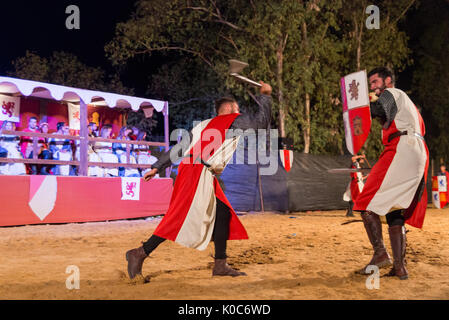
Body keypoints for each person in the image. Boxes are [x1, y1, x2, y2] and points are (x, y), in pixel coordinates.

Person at [125, 81, 273, 280]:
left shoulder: (203, 125)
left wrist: (157, 166)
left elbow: (179, 149)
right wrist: (265, 96)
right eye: (237, 109)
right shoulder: (231, 120)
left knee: (222, 214)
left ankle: (220, 264)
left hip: (195, 170)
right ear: (229, 110)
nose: (240, 113)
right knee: (178, 217)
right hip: (197, 171)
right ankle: (139, 253)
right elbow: (260, 124)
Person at [353, 67, 429, 280]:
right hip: (418, 151)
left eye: (376, 82)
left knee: (364, 202)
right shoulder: (408, 105)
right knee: (395, 211)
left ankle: (380, 253)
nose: (374, 87)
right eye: (372, 84)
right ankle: (399, 267)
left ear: (387, 80)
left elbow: (377, 110)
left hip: (401, 147)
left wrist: (357, 108)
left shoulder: (393, 93)